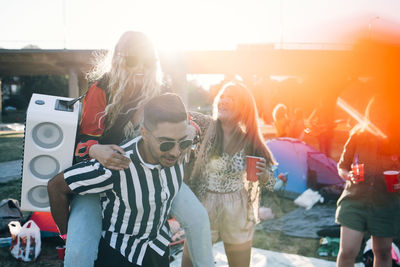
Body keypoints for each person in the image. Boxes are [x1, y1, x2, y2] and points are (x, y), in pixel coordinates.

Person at [65, 31, 213, 267]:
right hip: (104, 176)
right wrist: (96, 151)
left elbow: (182, 121)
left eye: (148, 61)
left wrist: (191, 129)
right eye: (133, 60)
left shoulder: (159, 88)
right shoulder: (101, 89)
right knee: (77, 253)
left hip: (153, 177)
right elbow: (82, 142)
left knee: (198, 220)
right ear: (118, 59)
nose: (141, 68)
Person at [183, 82, 276, 267]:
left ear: (243, 108)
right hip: (204, 204)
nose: (223, 101)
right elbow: (179, 115)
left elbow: (272, 184)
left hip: (237, 208)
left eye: (231, 98)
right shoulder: (204, 126)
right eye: (222, 97)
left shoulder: (250, 140)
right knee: (189, 264)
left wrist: (264, 174)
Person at [335, 94, 400, 267]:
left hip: (385, 205)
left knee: (383, 253)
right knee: (348, 251)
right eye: (376, 114)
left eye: (384, 115)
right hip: (355, 202)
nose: (380, 118)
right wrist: (347, 175)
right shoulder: (357, 136)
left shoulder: (397, 141)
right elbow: (342, 166)